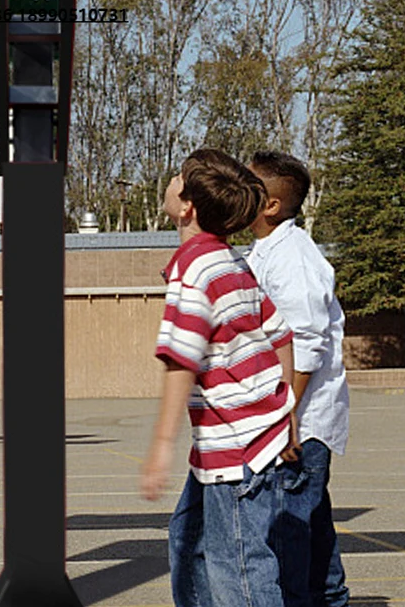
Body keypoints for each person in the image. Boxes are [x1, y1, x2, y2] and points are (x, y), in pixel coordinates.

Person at [141, 147, 297, 607]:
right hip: (248, 437)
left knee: (241, 570)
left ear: (186, 205)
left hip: (235, 447)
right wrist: (286, 411)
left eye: (177, 178)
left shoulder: (196, 270)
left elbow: (180, 362)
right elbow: (281, 335)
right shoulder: (230, 261)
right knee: (188, 543)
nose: (170, 181)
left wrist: (161, 448)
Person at [247, 150, 349, 607]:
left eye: (246, 187)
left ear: (271, 205)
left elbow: (306, 343)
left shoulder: (293, 258)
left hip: (299, 426)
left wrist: (286, 418)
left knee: (290, 543)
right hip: (290, 421)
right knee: (311, 535)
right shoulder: (267, 251)